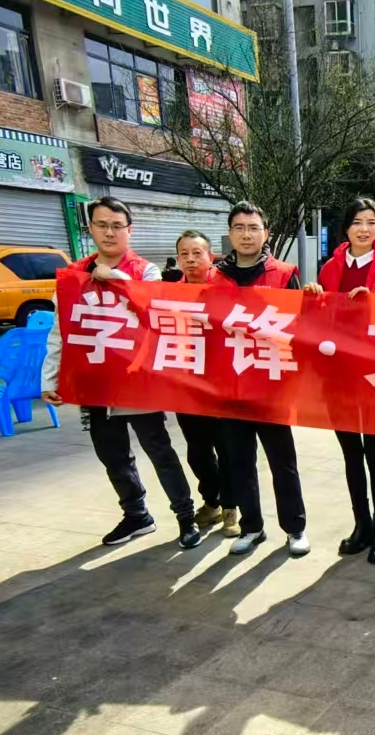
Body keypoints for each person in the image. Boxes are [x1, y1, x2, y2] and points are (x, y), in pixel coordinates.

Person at [41, 197, 201, 550]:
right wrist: (50, 378)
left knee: (159, 450)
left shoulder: (144, 271)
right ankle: (136, 515)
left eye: (117, 226)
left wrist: (114, 277)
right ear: (91, 229)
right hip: (96, 381)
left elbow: (152, 309)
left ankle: (186, 517)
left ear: (130, 230)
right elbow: (60, 330)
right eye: (102, 225)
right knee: (112, 455)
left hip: (137, 382)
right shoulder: (74, 275)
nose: (110, 232)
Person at [305, 199, 375, 565]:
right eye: (357, 222)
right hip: (338, 375)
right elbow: (318, 320)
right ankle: (361, 523)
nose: (364, 229)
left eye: (371, 222)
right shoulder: (331, 266)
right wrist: (313, 298)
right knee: (351, 454)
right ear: (345, 227)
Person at [213, 201, 310, 557]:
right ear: (230, 233)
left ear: (266, 233)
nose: (246, 234)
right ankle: (251, 527)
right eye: (239, 228)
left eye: (254, 228)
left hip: (271, 384)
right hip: (230, 386)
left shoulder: (283, 274)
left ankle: (295, 528)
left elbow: (301, 326)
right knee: (239, 462)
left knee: (282, 462)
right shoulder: (214, 277)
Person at [167, 230, 240, 538]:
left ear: (210, 257)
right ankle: (212, 502)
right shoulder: (169, 293)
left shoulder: (228, 288)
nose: (190, 259)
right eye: (184, 254)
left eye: (197, 253)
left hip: (221, 384)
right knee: (197, 451)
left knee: (227, 449)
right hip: (187, 384)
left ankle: (231, 508)